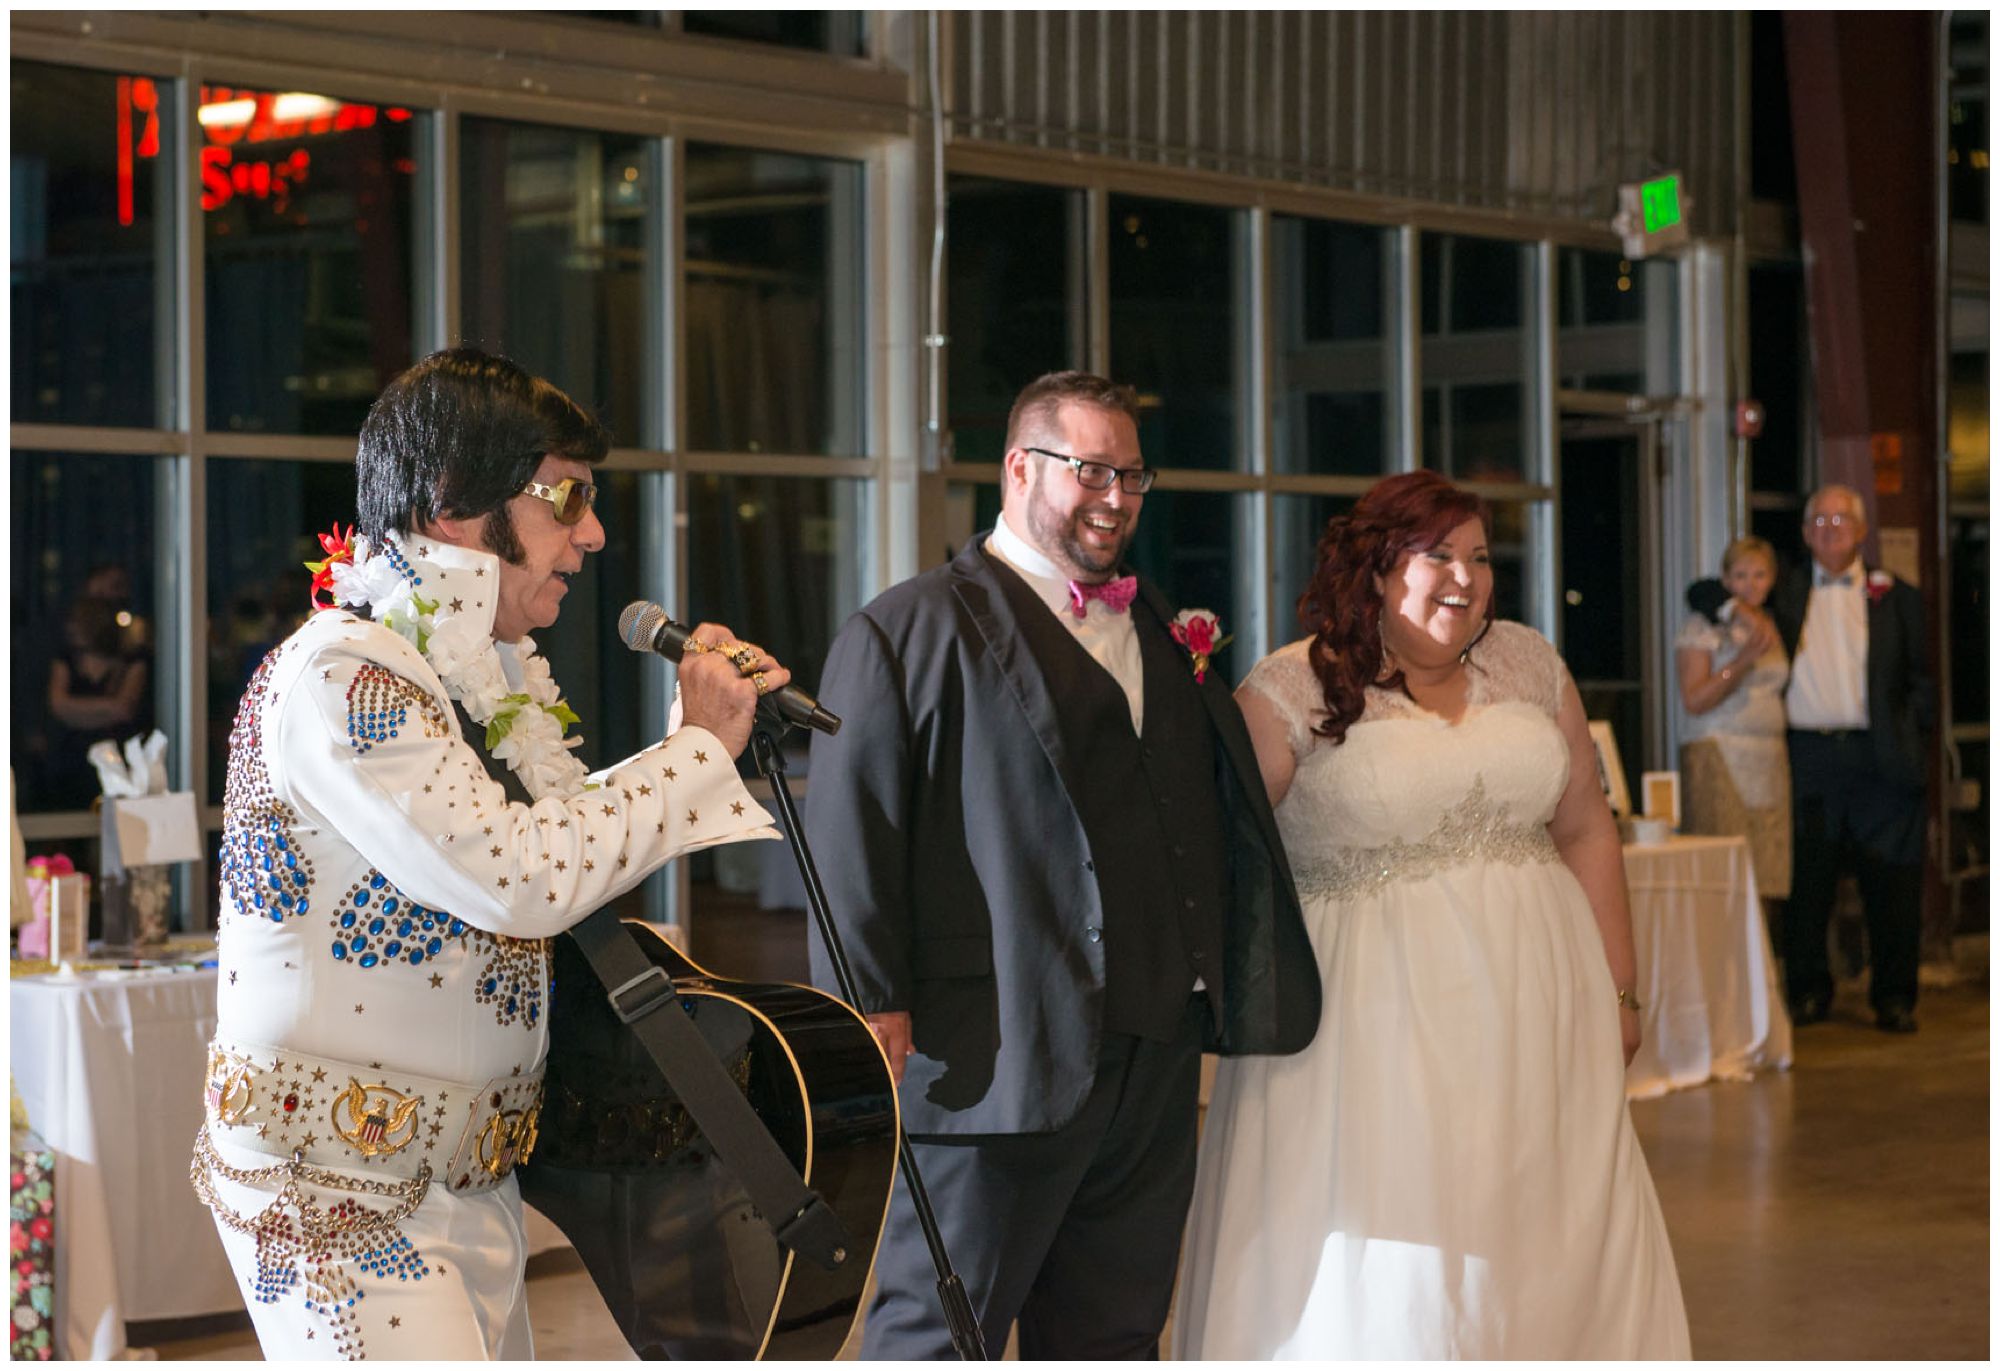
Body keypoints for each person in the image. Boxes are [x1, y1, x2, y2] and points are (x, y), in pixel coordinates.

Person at [189, 348, 793, 1359]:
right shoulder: (346, 673)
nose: (592, 534)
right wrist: (694, 749)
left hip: (460, 1183)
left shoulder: (452, 676)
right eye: (566, 496)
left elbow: (523, 846)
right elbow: (517, 877)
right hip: (337, 1196)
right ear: (449, 502)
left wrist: (704, 738)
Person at [802, 370, 1319, 1358]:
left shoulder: (1161, 629)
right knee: (938, 1334)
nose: (1114, 499)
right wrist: (869, 1009)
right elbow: (850, 838)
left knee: (1113, 1332)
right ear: (1016, 467)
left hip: (1152, 1055)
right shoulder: (907, 629)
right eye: (1089, 471)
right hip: (993, 1057)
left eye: (1131, 475)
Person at [1174, 470, 1689, 1359]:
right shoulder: (1295, 685)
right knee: (1410, 1249)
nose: (1468, 576)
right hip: (1371, 1036)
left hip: (1542, 1016)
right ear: (1376, 568)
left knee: (1551, 1232)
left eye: (1481, 556)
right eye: (1439, 554)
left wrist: (1622, 991)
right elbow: (1215, 855)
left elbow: (1586, 829)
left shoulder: (1529, 663)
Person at [1769, 483, 1932, 1033]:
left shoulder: (1898, 597)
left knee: (1891, 884)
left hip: (1879, 759)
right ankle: (1810, 991)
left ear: (1862, 532)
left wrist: (1908, 740)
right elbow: (1710, 588)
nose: (1830, 529)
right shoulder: (1783, 593)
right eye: (1819, 520)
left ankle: (1894, 997)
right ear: (1804, 532)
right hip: (1808, 756)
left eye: (1841, 520)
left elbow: (1922, 682)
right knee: (1808, 884)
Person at [1675, 536, 1792, 906]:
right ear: (1725, 580)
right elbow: (1694, 699)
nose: (1750, 585)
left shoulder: (1772, 622)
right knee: (1725, 879)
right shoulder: (1703, 625)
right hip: (1719, 754)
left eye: (1759, 575)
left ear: (1772, 579)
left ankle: (1765, 961)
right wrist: (1741, 662)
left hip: (1769, 759)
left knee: (1767, 873)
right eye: (1740, 575)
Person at [43, 593, 152, 809]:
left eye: (77, 621)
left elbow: (124, 709)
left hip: (119, 760)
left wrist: (76, 714)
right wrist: (107, 709)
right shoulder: (66, 659)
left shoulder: (132, 660)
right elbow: (58, 706)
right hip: (71, 761)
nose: (71, 627)